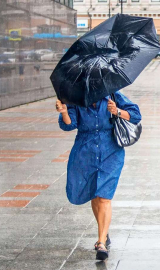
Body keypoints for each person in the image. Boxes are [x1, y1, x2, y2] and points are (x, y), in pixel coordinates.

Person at [56, 91, 141, 260]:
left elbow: (136, 115)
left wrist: (116, 111)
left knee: (104, 197)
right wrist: (64, 112)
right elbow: (69, 125)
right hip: (84, 151)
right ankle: (104, 231)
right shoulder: (76, 99)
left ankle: (101, 242)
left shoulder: (113, 96)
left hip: (111, 152)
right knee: (95, 195)